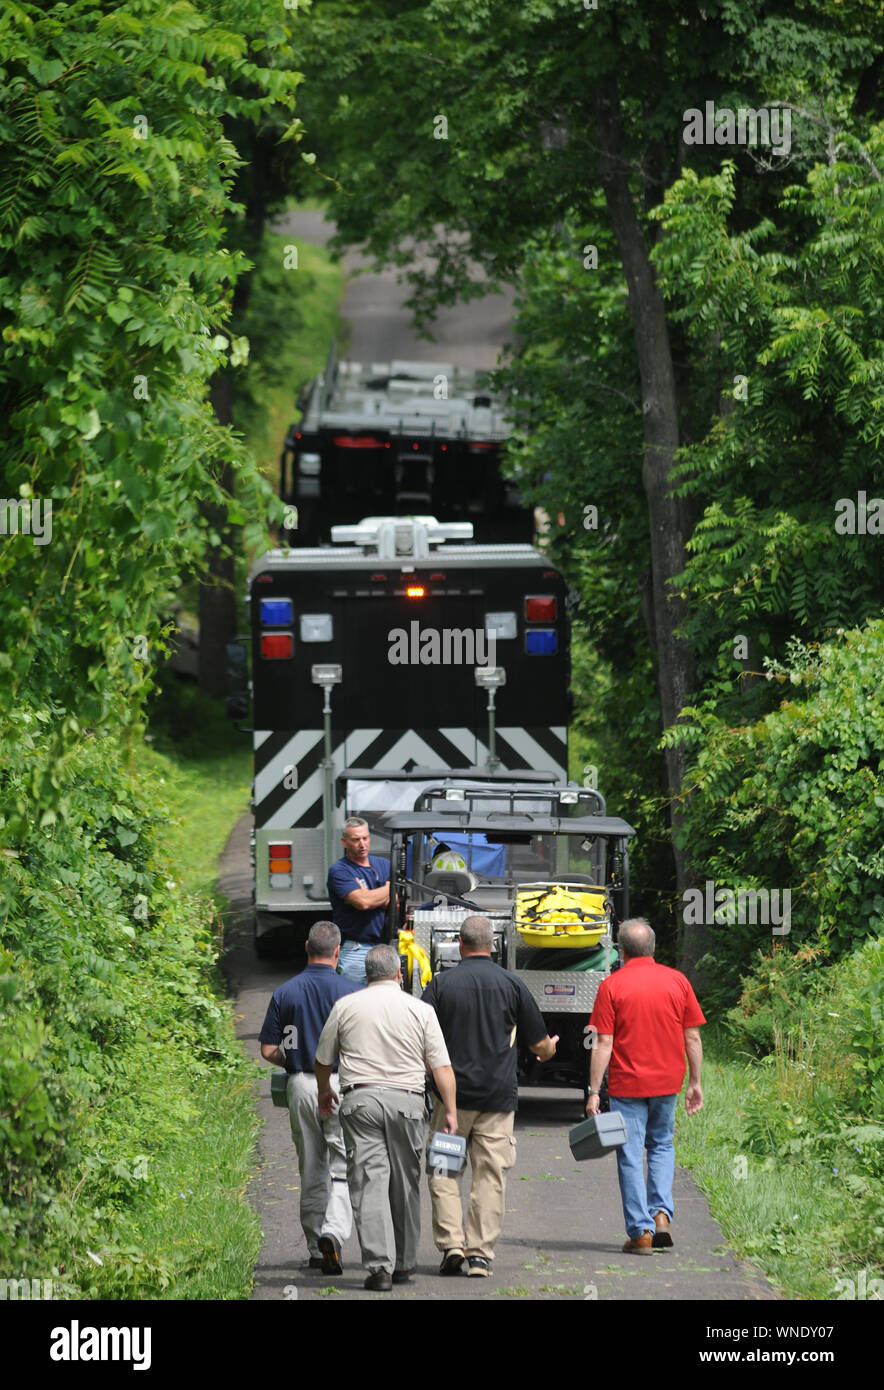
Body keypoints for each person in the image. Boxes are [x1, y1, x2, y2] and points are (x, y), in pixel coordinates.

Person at [421, 915, 559, 1278]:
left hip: (450, 1102)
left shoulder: (440, 985)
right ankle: (479, 1254)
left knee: (444, 1171)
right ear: (493, 946)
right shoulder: (512, 984)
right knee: (490, 1175)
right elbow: (538, 1044)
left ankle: (451, 1245)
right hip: (497, 1101)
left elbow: (421, 1041)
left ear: (460, 946)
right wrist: (549, 1051)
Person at [314, 944, 457, 1292]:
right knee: (406, 1182)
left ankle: (380, 1268)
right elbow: (441, 1067)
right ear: (398, 973)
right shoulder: (420, 1010)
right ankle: (405, 1263)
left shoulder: (345, 1006)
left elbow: (323, 1058)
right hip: (407, 1102)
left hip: (360, 1101)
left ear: (366, 975)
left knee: (369, 1181)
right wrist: (450, 1110)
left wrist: (323, 1090)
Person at [586, 917, 705, 1254]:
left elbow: (603, 1043)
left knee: (629, 1153)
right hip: (668, 1082)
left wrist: (594, 1091)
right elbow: (692, 1035)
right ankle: (662, 1214)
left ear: (621, 952)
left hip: (628, 1085)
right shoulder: (678, 981)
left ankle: (641, 1232)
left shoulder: (612, 985)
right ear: (653, 948)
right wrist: (694, 1082)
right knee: (662, 1145)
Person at [258, 921, 361, 1275]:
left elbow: (269, 1049)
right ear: (337, 951)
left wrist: (291, 1060)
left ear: (306, 947)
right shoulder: (351, 992)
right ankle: (334, 1232)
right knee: (343, 1165)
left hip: (301, 1083)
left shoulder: (286, 992)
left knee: (311, 1165)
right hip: (339, 1084)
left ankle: (316, 1247)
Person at [327, 817, 390, 985]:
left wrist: (370, 895)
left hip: (385, 946)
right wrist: (388, 890)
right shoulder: (339, 870)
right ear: (344, 842)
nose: (362, 844)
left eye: (365, 838)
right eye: (356, 840)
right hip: (355, 949)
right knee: (353, 999)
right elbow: (362, 902)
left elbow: (396, 900)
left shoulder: (384, 865)